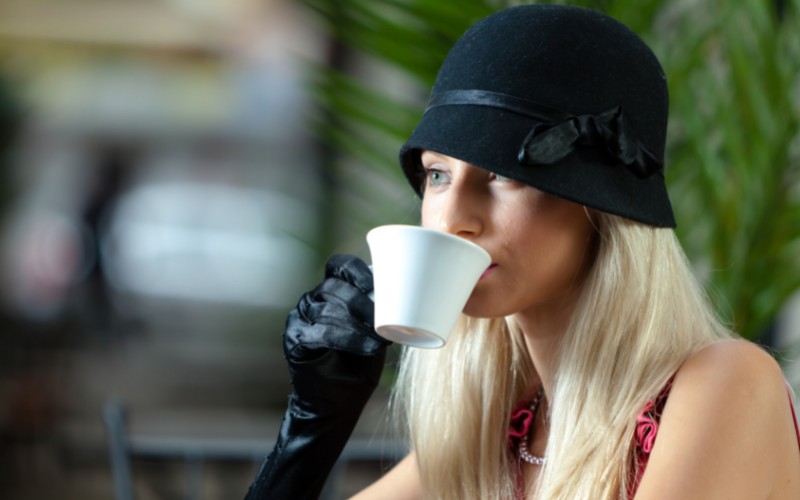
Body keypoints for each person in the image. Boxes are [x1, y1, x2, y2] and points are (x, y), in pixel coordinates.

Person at [245, 4, 800, 499]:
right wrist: (311, 428)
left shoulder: (726, 384)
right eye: (438, 173)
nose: (454, 217)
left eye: (503, 175)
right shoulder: (502, 427)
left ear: (600, 209)